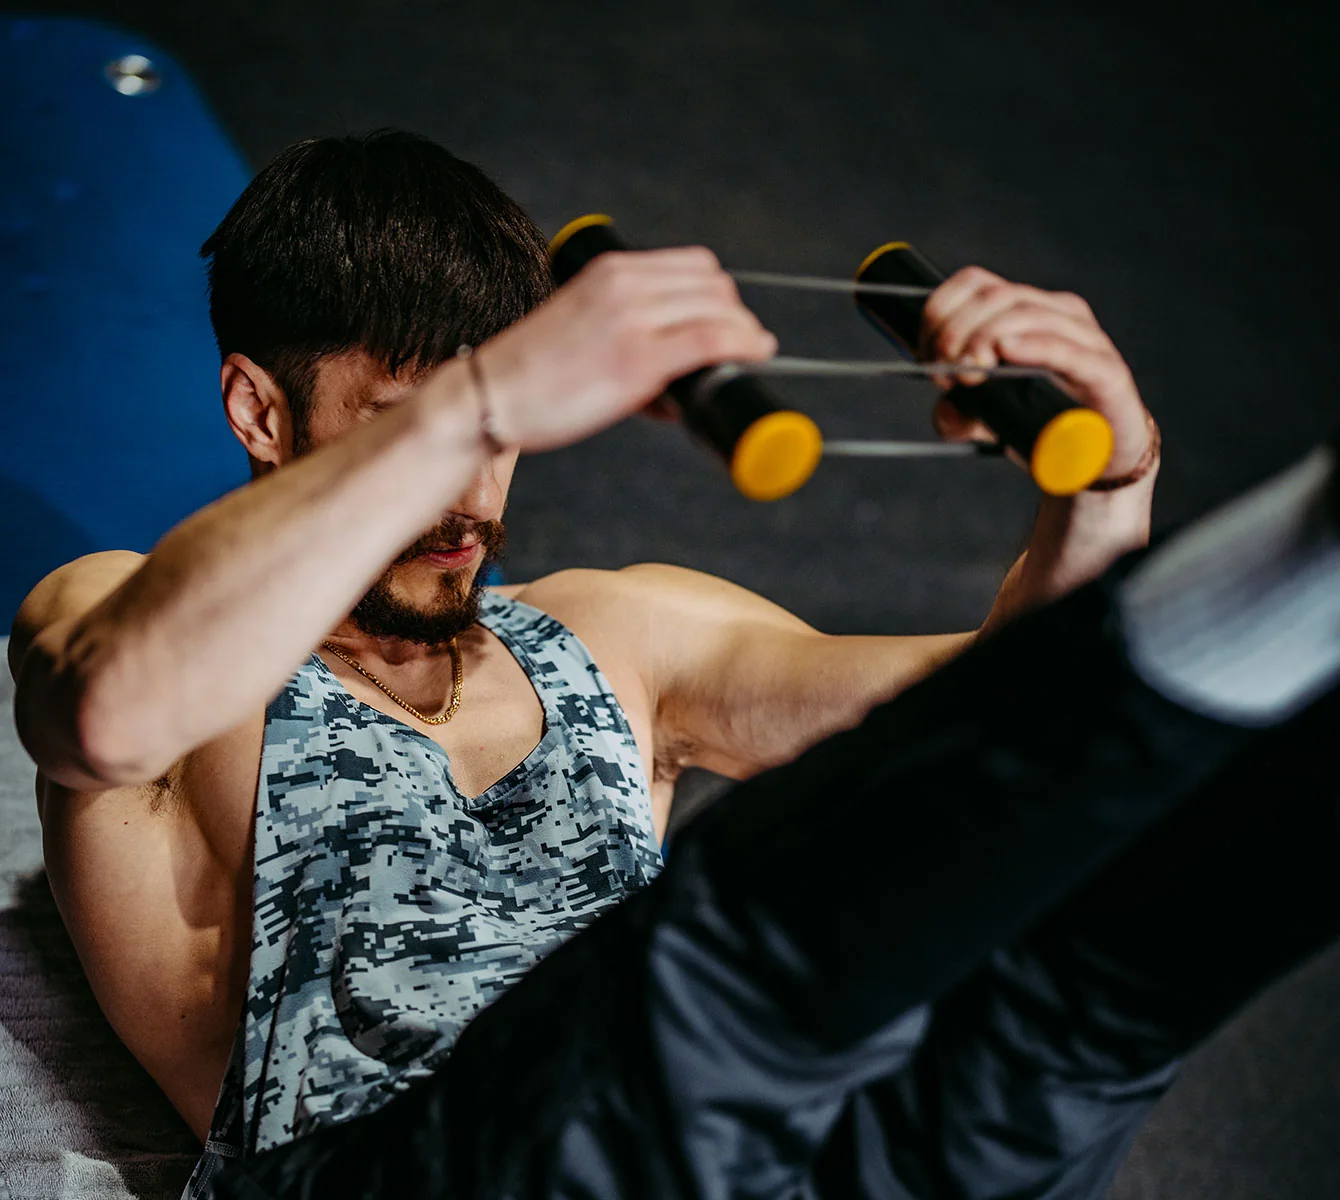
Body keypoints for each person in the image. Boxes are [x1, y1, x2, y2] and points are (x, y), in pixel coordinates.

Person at [9, 128, 1178, 1195]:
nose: (472, 496)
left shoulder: (616, 635)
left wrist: (1106, 480)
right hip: (416, 1167)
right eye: (413, 424)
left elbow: (1015, 716)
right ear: (260, 415)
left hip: (712, 1140)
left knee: (1093, 968)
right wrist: (482, 400)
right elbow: (107, 713)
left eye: (503, 433)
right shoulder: (132, 620)